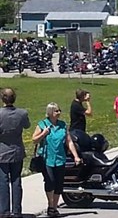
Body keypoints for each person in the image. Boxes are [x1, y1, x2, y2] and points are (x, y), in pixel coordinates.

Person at [32, 103, 82, 218]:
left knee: (59, 184)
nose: (59, 113)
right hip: (47, 158)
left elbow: (68, 141)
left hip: (60, 158)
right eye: (56, 111)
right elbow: (34, 140)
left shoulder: (62, 125)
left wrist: (76, 156)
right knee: (50, 182)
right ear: (50, 112)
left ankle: (54, 207)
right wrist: (43, 134)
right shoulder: (43, 124)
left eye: (59, 110)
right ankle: (50, 205)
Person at [0, 88, 30, 217]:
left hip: (2, 151)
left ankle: (4, 211)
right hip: (17, 150)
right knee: (16, 181)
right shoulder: (22, 113)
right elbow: (27, 125)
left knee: (3, 182)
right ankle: (17, 211)